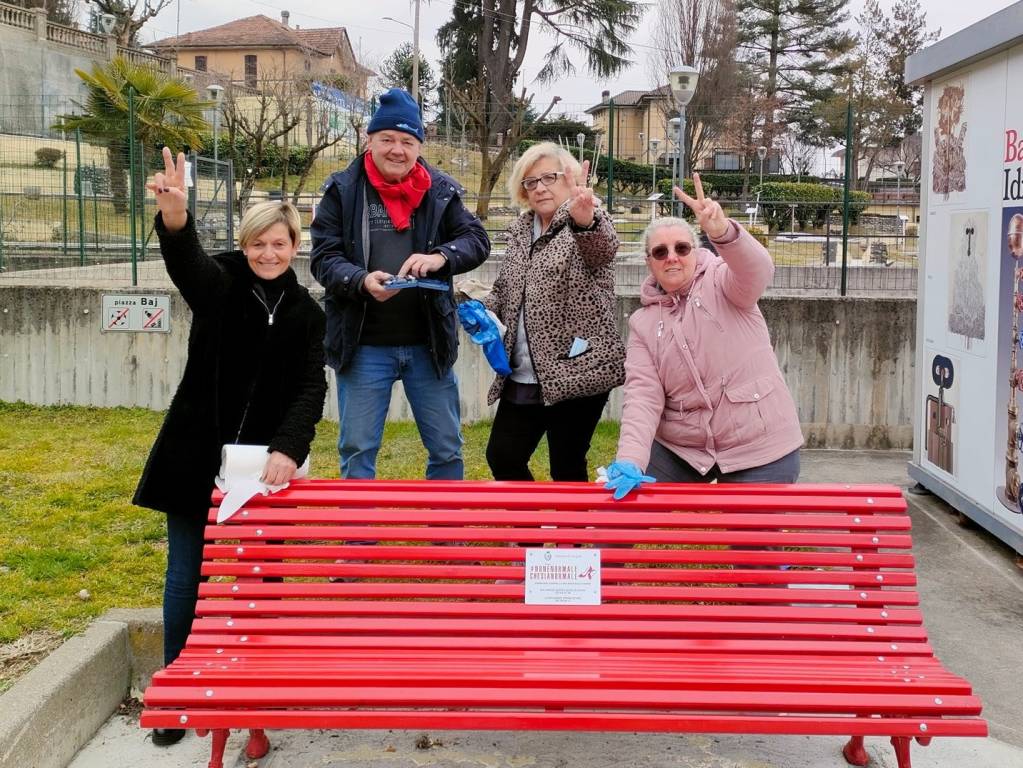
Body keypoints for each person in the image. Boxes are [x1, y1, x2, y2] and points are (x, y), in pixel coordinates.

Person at [134, 147, 327, 746]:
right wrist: (175, 217)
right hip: (196, 456)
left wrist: (289, 448)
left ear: (295, 245)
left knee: (261, 580)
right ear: (244, 244)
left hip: (263, 470)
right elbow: (185, 260)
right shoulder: (218, 284)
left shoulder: (304, 312)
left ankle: (253, 700)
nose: (269, 254)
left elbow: (309, 386)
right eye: (258, 243)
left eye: (280, 243)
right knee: (185, 575)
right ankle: (176, 700)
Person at [310, 88, 489, 479]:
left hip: (429, 343)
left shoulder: (440, 190)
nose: (397, 149)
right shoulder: (342, 190)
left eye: (407, 141)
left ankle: (445, 537)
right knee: (357, 450)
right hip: (362, 345)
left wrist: (441, 256)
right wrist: (359, 280)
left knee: (446, 447)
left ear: (419, 146)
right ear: (369, 139)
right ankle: (360, 541)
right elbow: (323, 258)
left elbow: (477, 241)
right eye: (387, 138)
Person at [605, 175, 802, 499]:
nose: (672, 256)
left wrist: (723, 232)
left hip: (758, 444)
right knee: (618, 515)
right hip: (683, 447)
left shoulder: (724, 282)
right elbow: (643, 396)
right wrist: (630, 460)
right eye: (660, 251)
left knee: (754, 544)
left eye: (681, 248)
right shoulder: (643, 322)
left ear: (695, 252)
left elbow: (758, 270)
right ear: (649, 263)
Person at [480, 141, 625, 481]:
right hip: (524, 372)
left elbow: (602, 250)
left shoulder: (585, 220)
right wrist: (482, 308)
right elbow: (506, 289)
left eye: (549, 177)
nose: (540, 187)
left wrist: (585, 221)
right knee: (503, 456)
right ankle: (529, 535)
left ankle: (570, 535)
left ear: (569, 178)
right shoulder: (520, 232)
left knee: (567, 463)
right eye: (531, 181)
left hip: (578, 369)